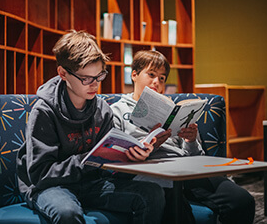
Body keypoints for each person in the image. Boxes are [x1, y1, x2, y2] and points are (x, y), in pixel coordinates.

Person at [16, 31, 165, 224]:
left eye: (99, 76)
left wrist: (130, 158)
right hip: (50, 186)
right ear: (63, 74)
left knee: (152, 193)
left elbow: (107, 169)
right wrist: (88, 161)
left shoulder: (102, 110)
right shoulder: (44, 111)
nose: (94, 85)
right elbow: (40, 174)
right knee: (67, 213)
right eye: (86, 78)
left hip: (91, 183)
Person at [111, 50, 255, 224]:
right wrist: (151, 145)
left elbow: (196, 157)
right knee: (177, 209)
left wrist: (191, 140)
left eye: (162, 78)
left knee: (241, 200)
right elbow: (115, 157)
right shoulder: (117, 110)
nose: (156, 82)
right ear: (134, 75)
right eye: (151, 75)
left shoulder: (171, 109)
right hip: (151, 175)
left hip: (186, 172)